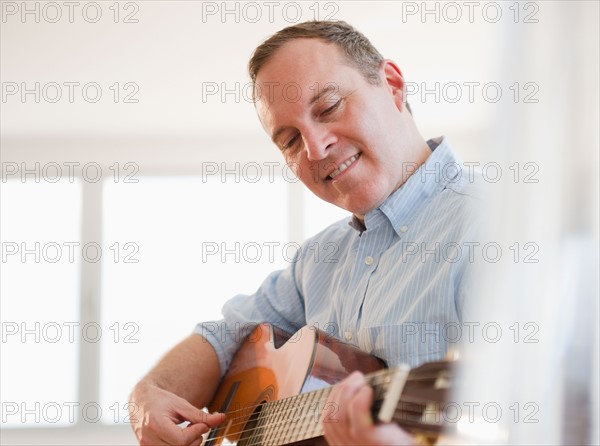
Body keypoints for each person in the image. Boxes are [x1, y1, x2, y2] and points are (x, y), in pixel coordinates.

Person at [130, 20, 481, 445]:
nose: (315, 148)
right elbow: (225, 337)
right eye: (290, 139)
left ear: (392, 85)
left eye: (329, 107)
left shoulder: (499, 228)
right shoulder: (318, 260)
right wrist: (149, 395)